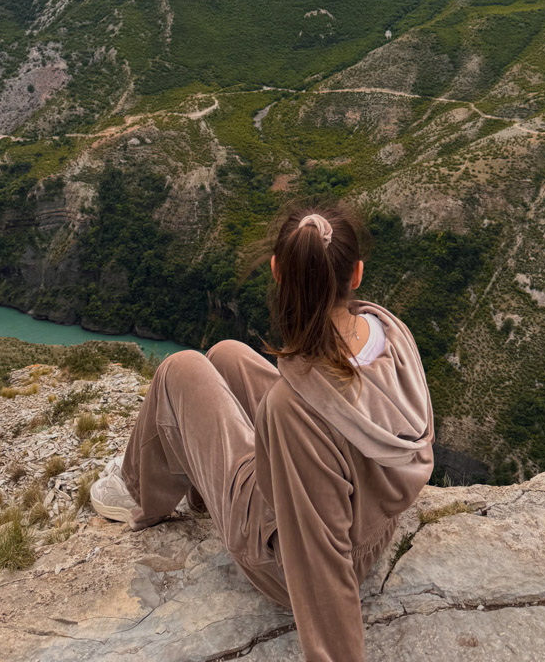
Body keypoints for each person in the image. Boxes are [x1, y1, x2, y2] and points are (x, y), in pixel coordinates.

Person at [90, 202, 435, 662]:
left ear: (276, 272)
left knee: (180, 368)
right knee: (226, 354)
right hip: (376, 520)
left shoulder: (292, 410)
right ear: (355, 275)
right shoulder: (388, 331)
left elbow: (319, 555)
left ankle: (139, 494)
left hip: (288, 560)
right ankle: (191, 485)